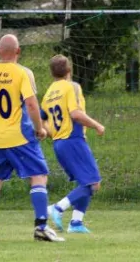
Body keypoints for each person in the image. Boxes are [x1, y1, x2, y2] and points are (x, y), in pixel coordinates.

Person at [0, 34, 64, 242]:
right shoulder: (21, 73)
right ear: (18, 52)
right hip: (19, 137)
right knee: (39, 175)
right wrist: (40, 128)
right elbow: (31, 104)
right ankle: (40, 227)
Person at [40, 55, 105, 234]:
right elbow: (75, 114)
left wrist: (47, 130)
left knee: (85, 182)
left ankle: (76, 223)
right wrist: (97, 125)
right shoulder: (70, 87)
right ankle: (57, 208)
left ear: (52, 73)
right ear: (69, 70)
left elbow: (40, 118)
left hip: (59, 143)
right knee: (93, 183)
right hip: (73, 139)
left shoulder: (48, 94)